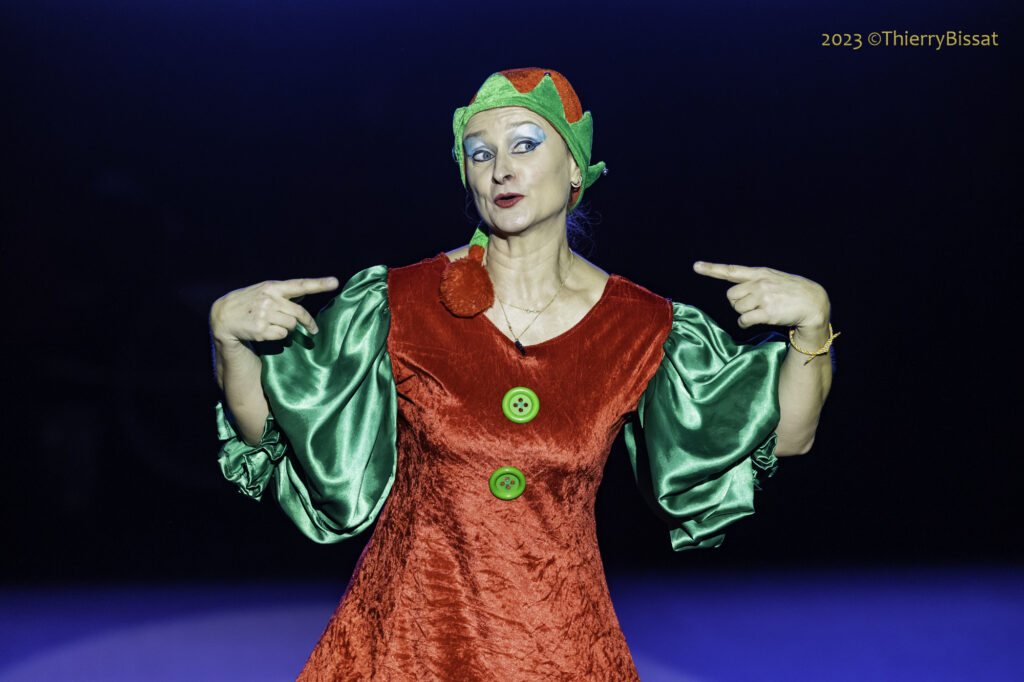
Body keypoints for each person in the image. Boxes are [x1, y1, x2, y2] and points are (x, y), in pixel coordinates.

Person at [209, 67, 836, 681]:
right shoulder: (398, 303)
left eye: (525, 145)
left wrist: (813, 327)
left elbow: (787, 436)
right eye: (480, 153)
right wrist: (228, 342)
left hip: (560, 647)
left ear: (575, 169)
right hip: (407, 644)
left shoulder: (641, 326)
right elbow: (275, 430)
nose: (500, 169)